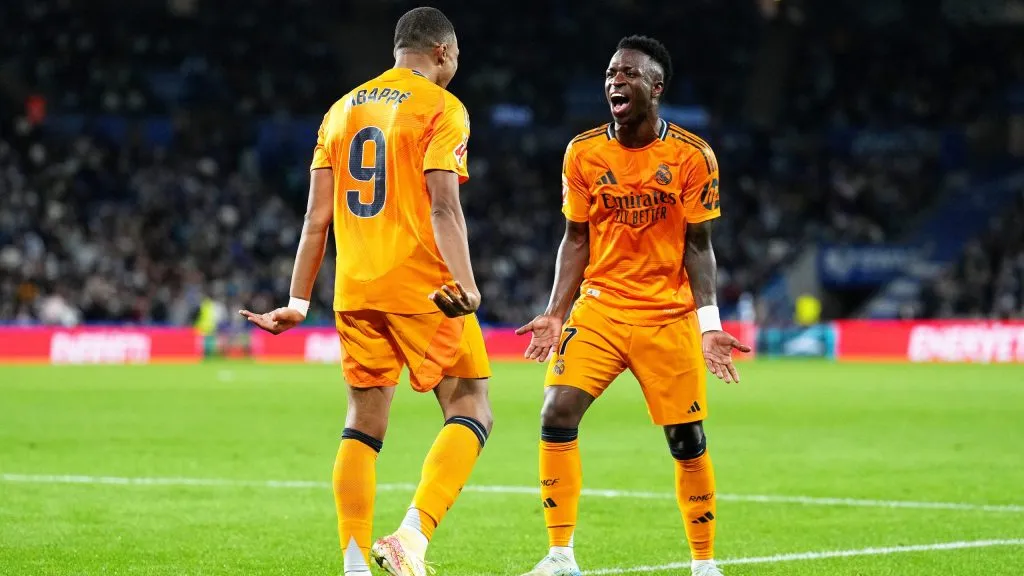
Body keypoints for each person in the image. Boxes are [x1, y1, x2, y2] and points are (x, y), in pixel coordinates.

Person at [240, 8, 492, 576]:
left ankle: (354, 562)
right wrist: (468, 286)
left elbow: (314, 218)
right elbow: (445, 205)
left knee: (363, 422)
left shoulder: (339, 111)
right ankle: (413, 536)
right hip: (423, 285)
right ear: (444, 53)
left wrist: (299, 301)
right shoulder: (442, 107)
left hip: (353, 289)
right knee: (471, 405)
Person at [516, 35, 749, 576]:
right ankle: (559, 556)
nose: (614, 81)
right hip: (600, 307)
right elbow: (575, 239)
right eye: (610, 74)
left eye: (628, 74)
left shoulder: (693, 156)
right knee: (556, 413)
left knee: (685, 438)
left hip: (667, 314)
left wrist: (708, 324)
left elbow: (699, 246)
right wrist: (554, 311)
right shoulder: (583, 152)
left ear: (656, 87)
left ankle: (704, 562)